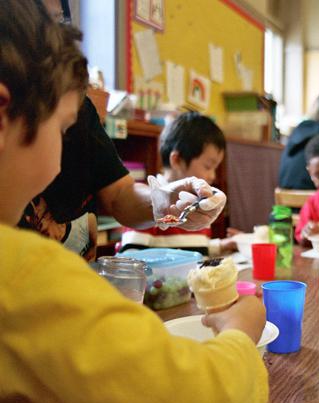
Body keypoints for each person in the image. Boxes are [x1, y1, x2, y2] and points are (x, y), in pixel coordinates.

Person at [0, 2, 267, 403]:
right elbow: (204, 394)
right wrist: (239, 331)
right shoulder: (23, 279)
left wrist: (162, 201)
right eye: (63, 128)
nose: (63, 152)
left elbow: (120, 194)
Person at [18, 0, 226, 261]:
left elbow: (119, 194)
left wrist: (162, 200)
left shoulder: (78, 108)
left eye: (59, 22)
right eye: (35, 24)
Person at [120, 112, 236, 256]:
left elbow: (193, 249)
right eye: (208, 166)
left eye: (216, 168)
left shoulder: (197, 203)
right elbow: (129, 257)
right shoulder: (148, 207)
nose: (213, 176)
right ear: (177, 160)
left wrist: (222, 245)